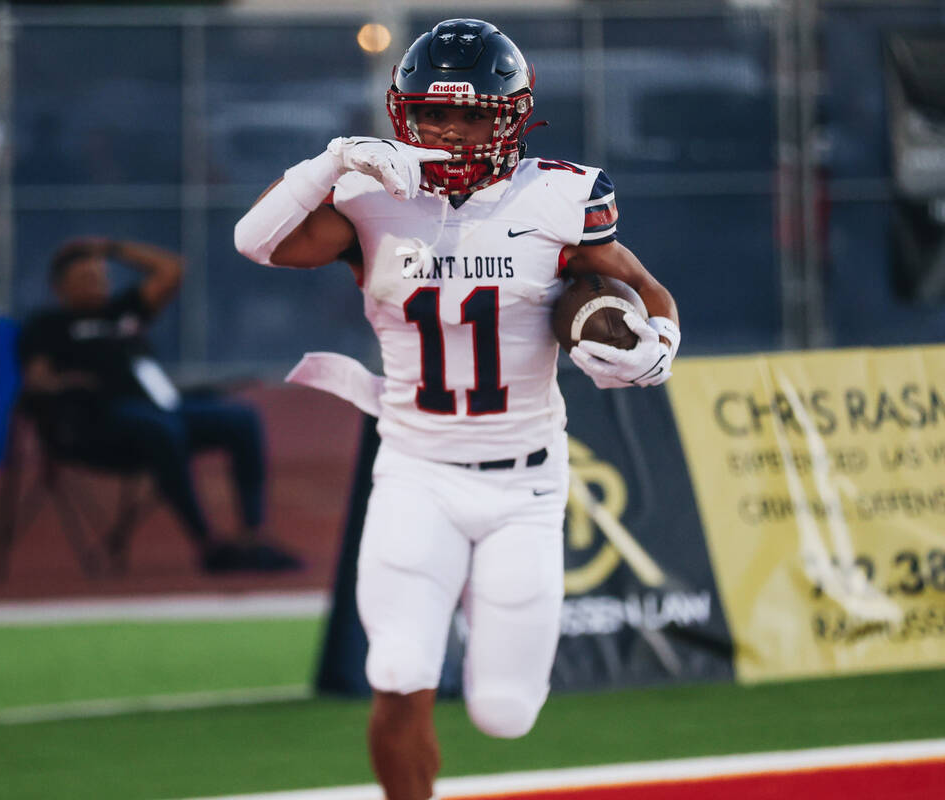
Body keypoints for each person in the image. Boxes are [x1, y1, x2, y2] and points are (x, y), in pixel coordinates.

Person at [235, 19, 680, 800]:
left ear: (512, 115)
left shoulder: (561, 193)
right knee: (398, 671)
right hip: (415, 468)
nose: (449, 132)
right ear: (402, 113)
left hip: (527, 484)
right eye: (433, 115)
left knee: (506, 712)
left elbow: (644, 290)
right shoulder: (371, 196)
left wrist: (659, 345)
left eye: (471, 115)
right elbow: (255, 241)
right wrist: (329, 160)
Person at [18, 236, 301, 574]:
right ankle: (208, 545)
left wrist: (111, 248)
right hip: (97, 424)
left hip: (160, 408)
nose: (96, 283)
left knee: (241, 419)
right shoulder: (46, 325)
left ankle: (253, 537)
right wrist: (68, 385)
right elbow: (37, 380)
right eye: (85, 278)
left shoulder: (121, 311)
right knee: (161, 430)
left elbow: (173, 269)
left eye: (100, 276)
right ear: (59, 288)